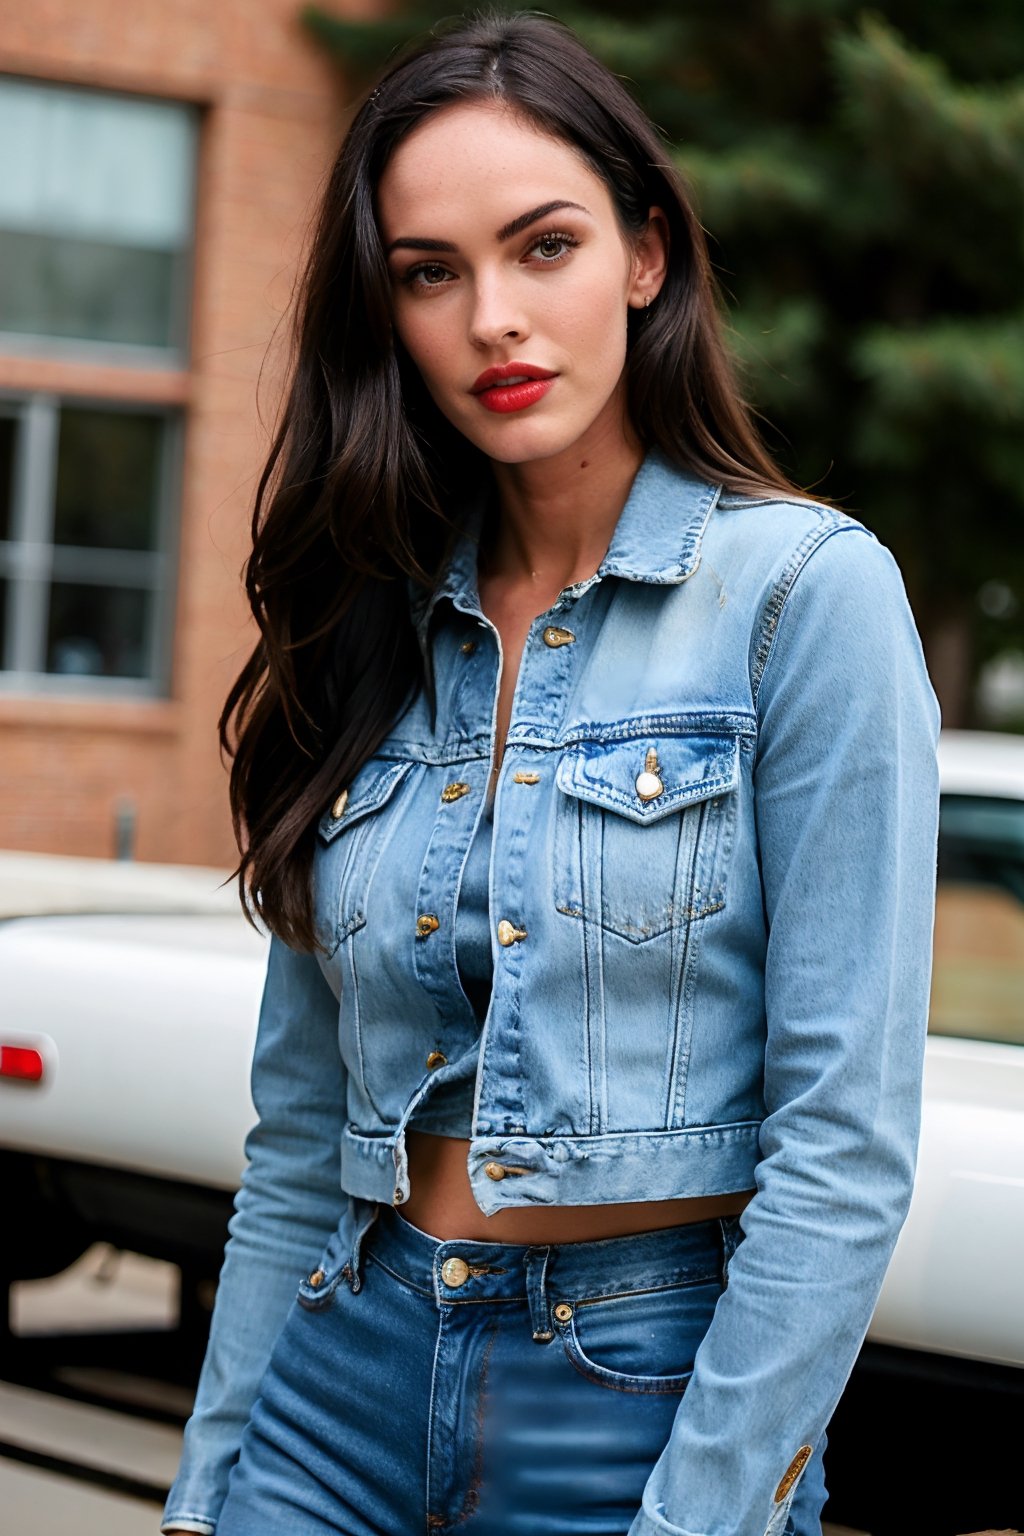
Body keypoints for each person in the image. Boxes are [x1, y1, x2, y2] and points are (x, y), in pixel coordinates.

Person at [161, 9, 940, 1536]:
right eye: (430, 274)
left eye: (545, 248)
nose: (492, 321)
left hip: (637, 1403)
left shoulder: (803, 597)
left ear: (645, 256)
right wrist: (209, 1487)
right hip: (337, 1386)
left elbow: (842, 1156)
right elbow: (299, 1139)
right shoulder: (370, 617)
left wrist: (704, 1512)